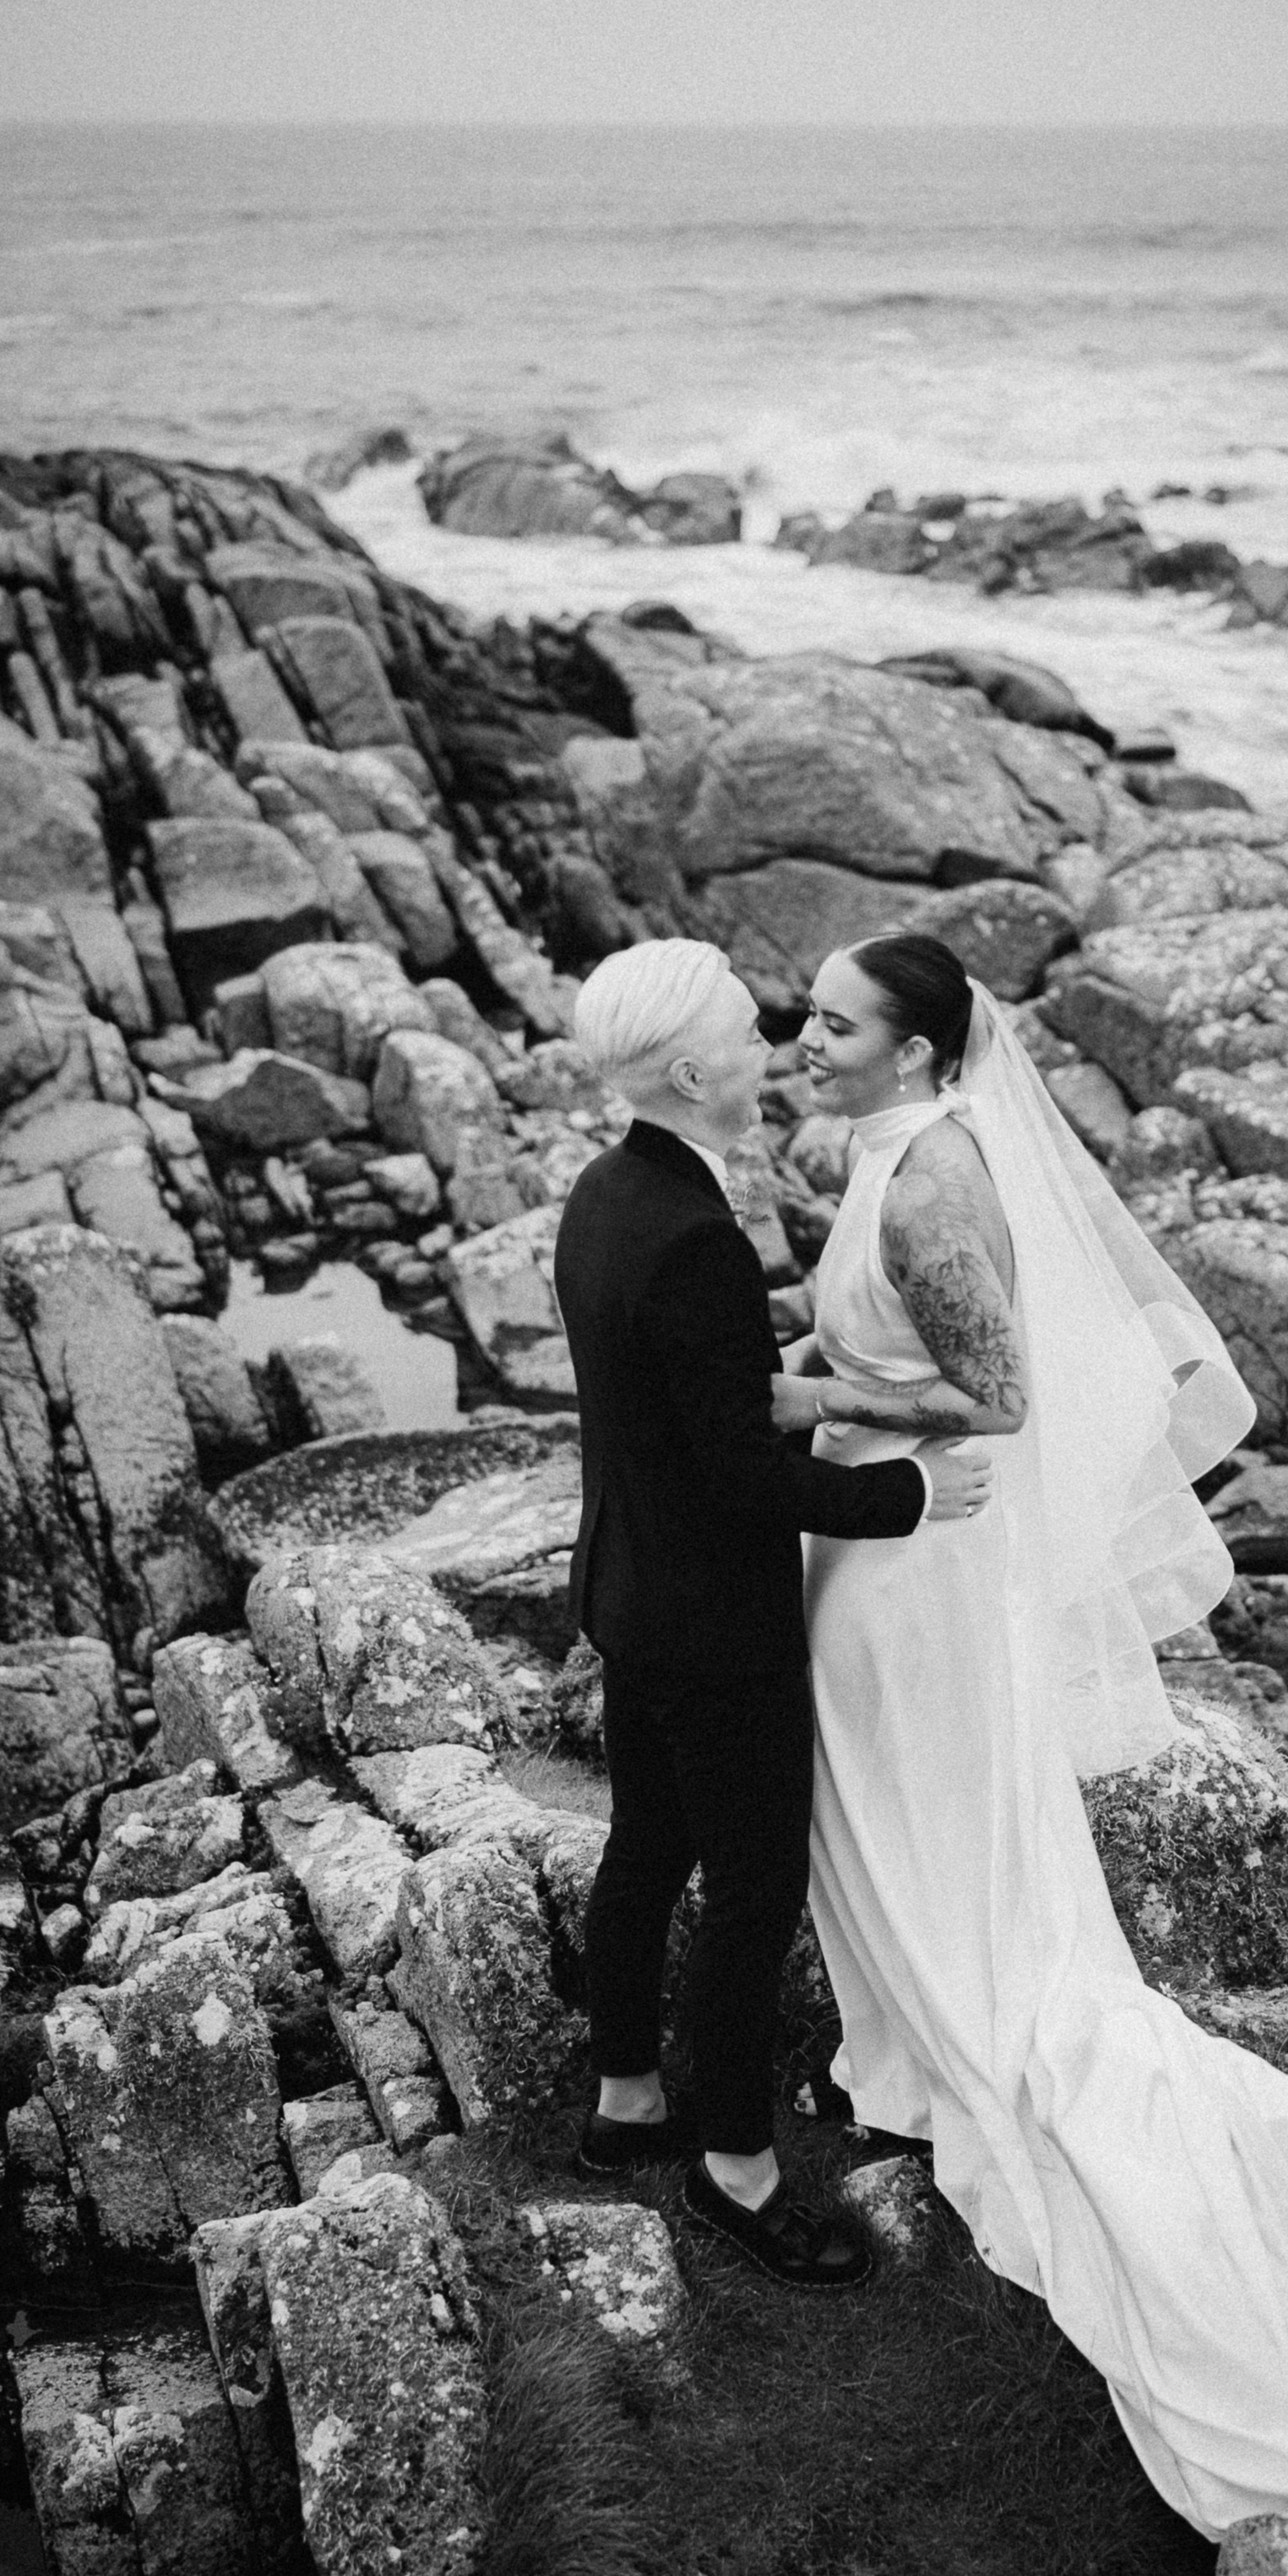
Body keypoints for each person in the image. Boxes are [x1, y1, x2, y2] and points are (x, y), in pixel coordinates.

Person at [770, 931, 1288, 2576]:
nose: (801, 1039)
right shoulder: (889, 1151)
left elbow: (1002, 1398)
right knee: (885, 1810)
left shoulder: (934, 1184)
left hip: (923, 1557)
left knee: (921, 1814)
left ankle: (956, 2034)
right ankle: (910, 2032)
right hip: (883, 1540)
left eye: (831, 1021)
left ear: (917, 1052)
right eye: (804, 1015)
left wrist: (809, 1393)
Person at [553, 935, 993, 2293]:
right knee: (752, 1894)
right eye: (751, 1034)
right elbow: (740, 1475)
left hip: (627, 1588)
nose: (776, 1050)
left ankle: (627, 2104)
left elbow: (676, 1405)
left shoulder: (606, 1193)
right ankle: (737, 2171)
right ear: (692, 1074)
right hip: (711, 1622)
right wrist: (907, 1494)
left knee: (644, 1847)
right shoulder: (694, 1236)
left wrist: (796, 1378)